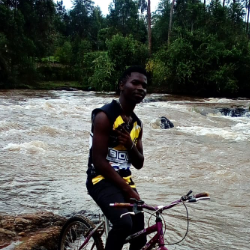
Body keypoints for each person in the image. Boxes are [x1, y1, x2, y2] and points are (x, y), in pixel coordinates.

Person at [86, 66, 148, 250]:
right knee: (124, 224)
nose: (141, 88)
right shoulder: (105, 117)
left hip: (125, 179)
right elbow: (99, 162)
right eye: (135, 83)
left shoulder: (137, 124)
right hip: (100, 179)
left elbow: (139, 163)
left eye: (144, 85)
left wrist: (129, 144)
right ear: (122, 85)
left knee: (140, 235)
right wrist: (129, 191)